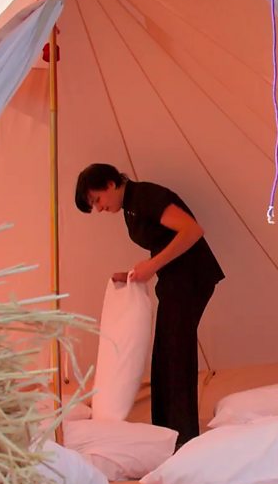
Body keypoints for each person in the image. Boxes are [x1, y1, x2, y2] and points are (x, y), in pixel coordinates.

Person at [75, 163, 225, 449]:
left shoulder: (145, 196)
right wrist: (135, 274)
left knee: (176, 355)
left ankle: (183, 439)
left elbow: (192, 231)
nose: (99, 208)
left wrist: (152, 265)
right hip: (175, 280)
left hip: (192, 278)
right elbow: (163, 245)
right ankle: (168, 433)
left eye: (97, 199)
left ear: (110, 184)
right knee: (165, 355)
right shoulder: (130, 208)